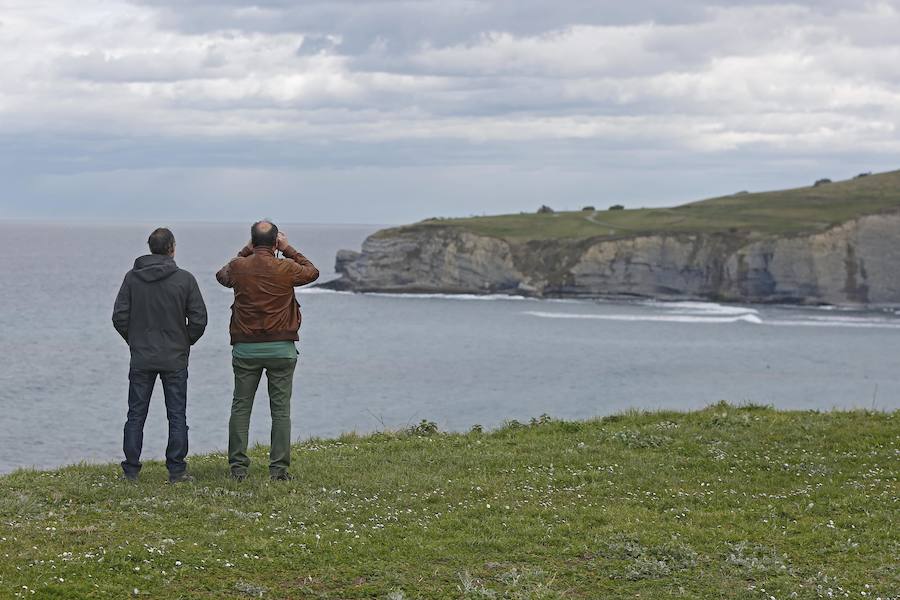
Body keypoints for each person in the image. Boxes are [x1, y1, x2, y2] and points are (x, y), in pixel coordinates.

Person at [216, 221, 319, 481]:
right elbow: (312, 272)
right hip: (281, 349)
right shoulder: (286, 267)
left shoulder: (239, 267)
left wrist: (244, 252)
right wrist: (288, 249)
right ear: (275, 243)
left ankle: (238, 468)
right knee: (281, 410)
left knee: (241, 407)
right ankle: (278, 470)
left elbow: (222, 275)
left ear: (252, 242)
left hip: (245, 349)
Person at [112, 228, 208, 483]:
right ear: (172, 248)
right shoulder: (185, 280)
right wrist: (184, 342)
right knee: (177, 415)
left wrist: (135, 342)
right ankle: (176, 471)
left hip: (142, 357)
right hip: (174, 357)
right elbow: (199, 319)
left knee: (135, 415)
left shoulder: (132, 278)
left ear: (150, 247)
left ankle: (131, 470)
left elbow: (119, 317)